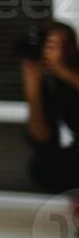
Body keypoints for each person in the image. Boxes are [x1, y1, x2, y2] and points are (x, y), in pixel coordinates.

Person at [23, 21, 79, 193]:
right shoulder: (50, 83)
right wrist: (32, 88)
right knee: (43, 164)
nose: (54, 53)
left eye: (59, 45)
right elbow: (41, 137)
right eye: (48, 46)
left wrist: (63, 70)